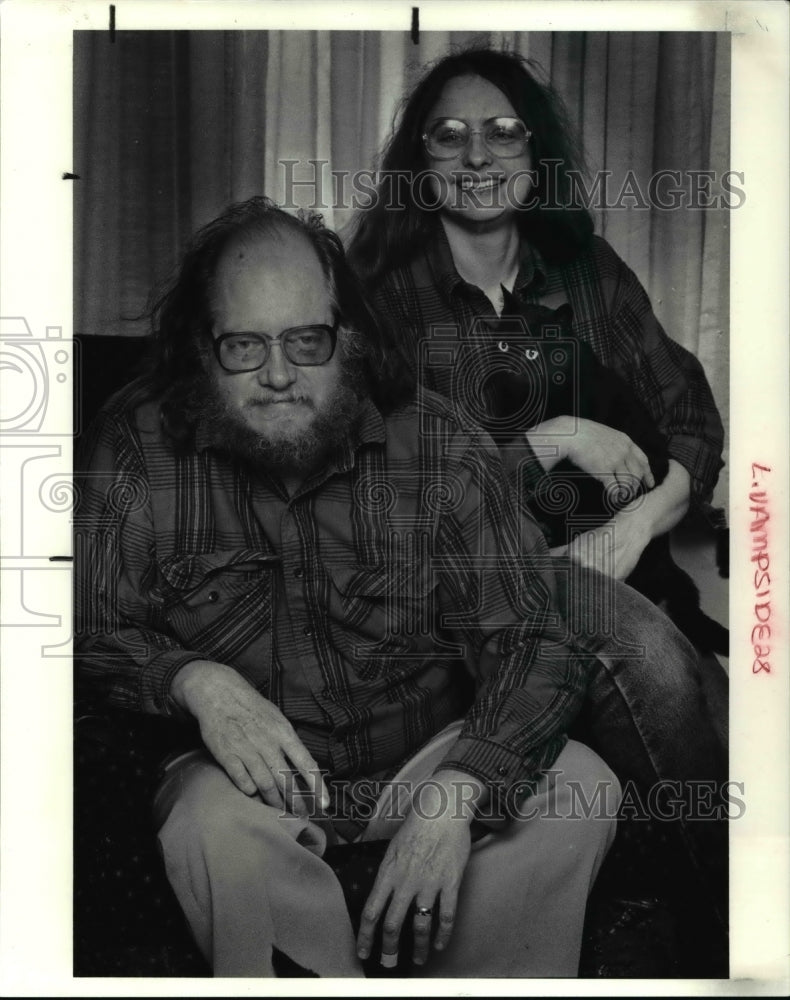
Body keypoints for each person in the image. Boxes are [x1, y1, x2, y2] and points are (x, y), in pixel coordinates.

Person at [75, 196, 621, 978]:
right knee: (211, 833)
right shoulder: (134, 445)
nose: (276, 375)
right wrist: (194, 679)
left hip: (417, 761)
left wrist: (459, 791)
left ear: (350, 339)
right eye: (243, 346)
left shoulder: (440, 443)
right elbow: (83, 626)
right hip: (238, 785)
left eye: (306, 341)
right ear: (203, 349)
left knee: (581, 788)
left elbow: (532, 638)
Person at [347, 46, 729, 973]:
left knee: (693, 672)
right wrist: (549, 441)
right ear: (419, 159)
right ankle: (738, 929)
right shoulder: (378, 293)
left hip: (611, 568)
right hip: (464, 592)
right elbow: (395, 495)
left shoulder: (587, 271)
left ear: (536, 150)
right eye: (449, 136)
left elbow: (691, 423)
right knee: (649, 660)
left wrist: (633, 526)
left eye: (503, 132)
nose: (478, 158)